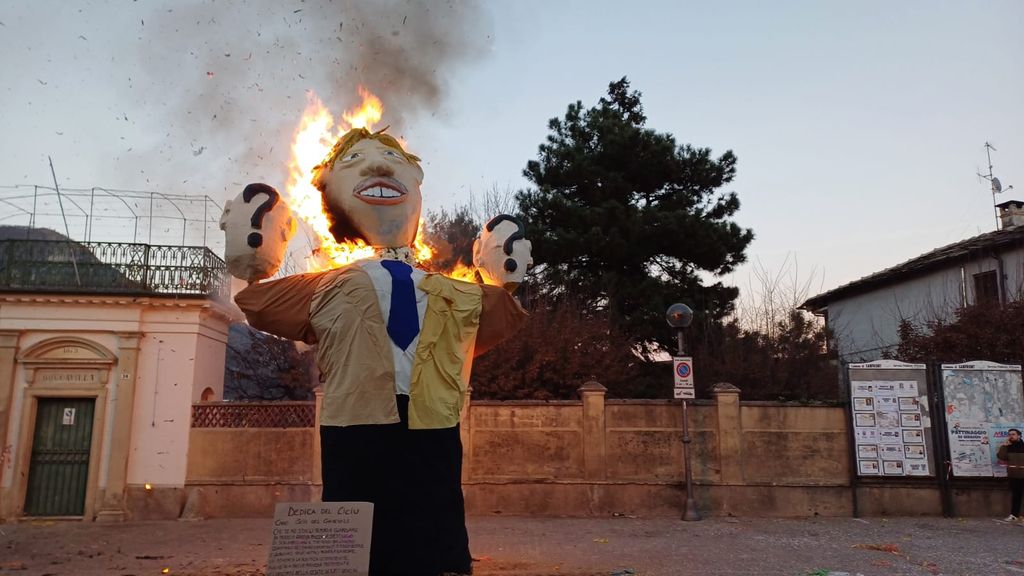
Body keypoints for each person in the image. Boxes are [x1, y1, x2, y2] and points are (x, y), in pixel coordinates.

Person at [224, 127, 532, 576]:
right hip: (356, 418)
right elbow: (258, 302)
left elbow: (499, 315)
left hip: (433, 419)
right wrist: (253, 255)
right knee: (354, 517)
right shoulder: (325, 285)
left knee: (435, 511)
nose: (378, 165)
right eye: (353, 161)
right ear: (327, 192)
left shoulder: (453, 292)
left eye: (394, 159)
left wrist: (502, 277)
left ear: (417, 183)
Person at [996, 428, 1024, 523]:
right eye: (1009, 434)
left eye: (1013, 434)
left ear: (1019, 436)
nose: (1011, 436)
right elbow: (1001, 457)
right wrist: (1004, 446)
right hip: (1014, 476)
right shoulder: (1008, 447)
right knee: (1016, 496)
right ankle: (1014, 515)